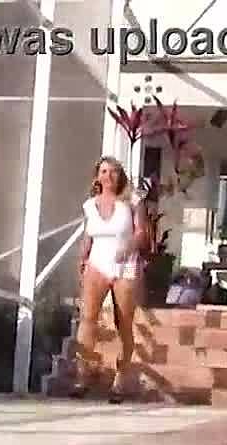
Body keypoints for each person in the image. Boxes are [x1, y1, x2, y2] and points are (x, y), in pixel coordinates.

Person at [69, 155, 152, 402]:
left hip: (125, 265)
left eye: (113, 171)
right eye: (104, 172)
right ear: (97, 177)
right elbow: (88, 236)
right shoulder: (89, 205)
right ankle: (82, 376)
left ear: (120, 176)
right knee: (87, 318)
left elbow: (142, 233)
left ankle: (120, 379)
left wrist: (129, 247)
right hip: (97, 263)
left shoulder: (132, 201)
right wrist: (82, 258)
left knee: (123, 323)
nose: (108, 176)